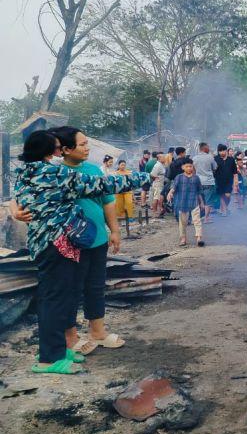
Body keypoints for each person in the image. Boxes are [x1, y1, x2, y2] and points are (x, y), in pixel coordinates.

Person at [14, 131, 148, 374]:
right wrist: (142, 177)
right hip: (57, 245)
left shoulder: (24, 172)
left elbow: (19, 201)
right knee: (55, 299)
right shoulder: (55, 173)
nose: (59, 150)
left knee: (53, 297)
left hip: (41, 244)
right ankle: (49, 360)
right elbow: (103, 185)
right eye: (56, 147)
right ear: (49, 150)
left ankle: (58, 349)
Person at [52, 126, 133, 351]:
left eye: (87, 143)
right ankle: (71, 338)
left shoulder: (94, 171)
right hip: (71, 243)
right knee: (72, 288)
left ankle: (97, 332)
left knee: (96, 286)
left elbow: (107, 201)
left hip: (97, 238)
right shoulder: (55, 174)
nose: (88, 148)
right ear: (66, 150)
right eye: (82, 144)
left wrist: (114, 230)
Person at [167, 159, 205, 247]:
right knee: (183, 222)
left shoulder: (196, 178)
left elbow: (199, 191)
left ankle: (199, 238)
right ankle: (183, 239)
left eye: (190, 166)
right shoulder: (179, 177)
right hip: (182, 202)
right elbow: (174, 187)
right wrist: (170, 193)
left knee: (197, 221)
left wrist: (202, 203)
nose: (189, 168)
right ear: (183, 167)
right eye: (187, 166)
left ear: (193, 167)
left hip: (194, 202)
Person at [192, 142, 218, 223]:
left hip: (198, 182)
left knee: (199, 200)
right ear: (204, 148)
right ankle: (206, 218)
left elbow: (193, 170)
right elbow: (215, 167)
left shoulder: (195, 158)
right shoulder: (210, 157)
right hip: (208, 182)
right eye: (208, 147)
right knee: (208, 201)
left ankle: (196, 218)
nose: (209, 148)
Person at [213, 144, 238, 216]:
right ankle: (224, 210)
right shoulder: (215, 159)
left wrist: (236, 181)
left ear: (226, 150)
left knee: (228, 195)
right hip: (219, 181)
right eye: (220, 151)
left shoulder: (231, 159)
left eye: (223, 150)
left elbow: (235, 172)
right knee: (221, 195)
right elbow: (212, 170)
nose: (221, 152)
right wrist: (215, 169)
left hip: (229, 181)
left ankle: (225, 207)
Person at [149, 152, 167, 217]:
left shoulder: (161, 164)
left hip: (160, 182)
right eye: (163, 157)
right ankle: (154, 212)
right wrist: (156, 178)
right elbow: (152, 174)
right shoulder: (157, 165)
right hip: (158, 183)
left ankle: (158, 211)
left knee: (158, 197)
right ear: (159, 158)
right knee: (156, 197)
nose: (164, 158)